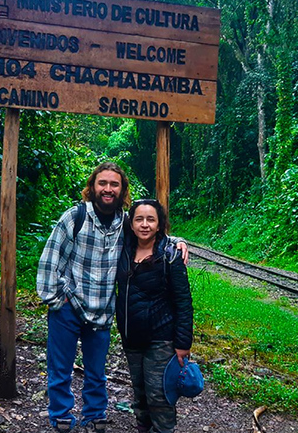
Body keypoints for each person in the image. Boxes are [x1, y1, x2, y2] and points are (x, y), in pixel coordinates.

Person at [37, 162, 189, 433]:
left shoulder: (125, 223)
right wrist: (56, 299)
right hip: (69, 306)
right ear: (92, 187)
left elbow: (150, 232)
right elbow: (50, 260)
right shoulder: (75, 217)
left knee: (96, 371)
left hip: (102, 310)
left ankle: (95, 415)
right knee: (60, 368)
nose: (108, 189)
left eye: (114, 184)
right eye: (103, 183)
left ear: (122, 190)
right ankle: (61, 415)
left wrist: (178, 240)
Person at [116, 199, 195, 433]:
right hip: (131, 337)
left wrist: (183, 343)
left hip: (161, 338)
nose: (144, 224)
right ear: (131, 224)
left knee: (159, 395)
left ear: (160, 225)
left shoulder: (171, 254)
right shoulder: (122, 249)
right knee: (140, 394)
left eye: (151, 219)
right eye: (139, 219)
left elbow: (183, 301)